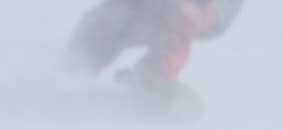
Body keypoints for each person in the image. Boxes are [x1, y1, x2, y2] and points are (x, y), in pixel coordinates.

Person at [68, 0, 246, 89]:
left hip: (206, 6)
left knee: (179, 13)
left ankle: (155, 76)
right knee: (109, 17)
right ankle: (75, 65)